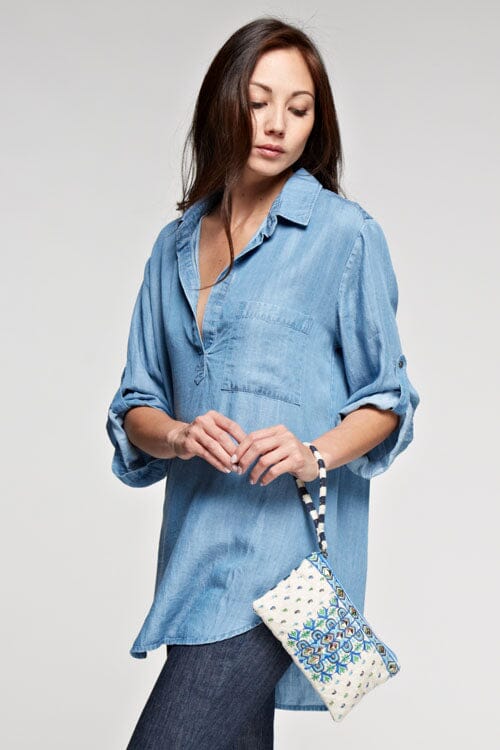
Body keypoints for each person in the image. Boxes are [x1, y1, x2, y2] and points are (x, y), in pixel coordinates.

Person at [105, 16, 420, 750]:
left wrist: (314, 452)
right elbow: (135, 406)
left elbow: (388, 399)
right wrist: (180, 434)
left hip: (283, 572)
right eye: (259, 101)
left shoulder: (344, 235)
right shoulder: (173, 246)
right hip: (192, 562)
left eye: (299, 108)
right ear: (223, 104)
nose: (278, 124)